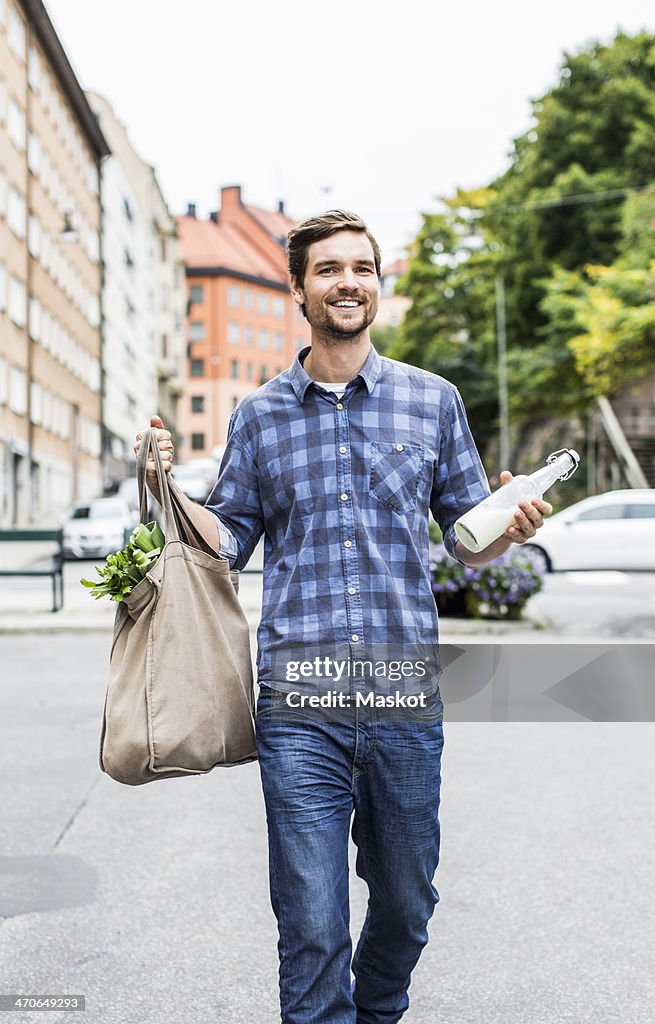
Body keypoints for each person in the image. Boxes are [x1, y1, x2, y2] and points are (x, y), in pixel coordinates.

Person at [135, 209, 551, 1024]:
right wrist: (167, 496)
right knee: (312, 921)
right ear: (298, 288)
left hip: (402, 692)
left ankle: (378, 1011)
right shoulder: (258, 416)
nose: (347, 282)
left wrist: (508, 528)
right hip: (299, 701)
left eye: (360, 267)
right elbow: (227, 543)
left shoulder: (432, 403)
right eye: (327, 269)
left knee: (406, 903)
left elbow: (468, 540)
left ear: (377, 283)